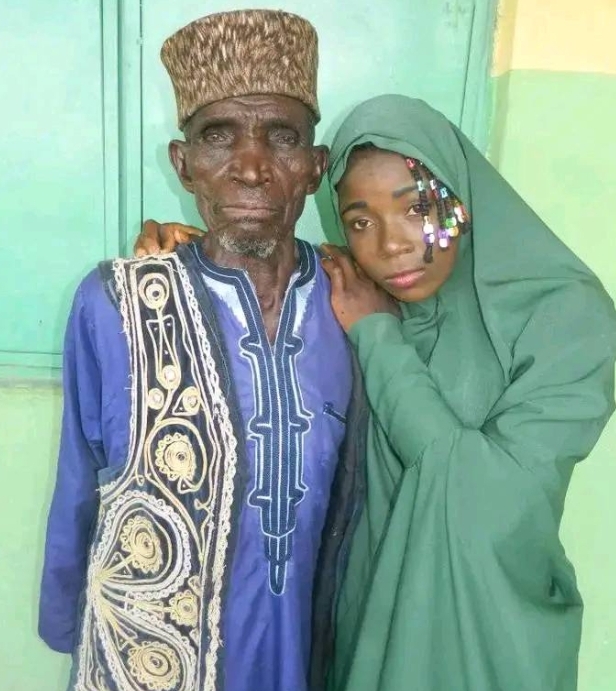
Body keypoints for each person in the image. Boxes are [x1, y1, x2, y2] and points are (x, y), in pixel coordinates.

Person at [139, 95, 616, 691]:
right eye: (361, 222)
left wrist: (378, 339)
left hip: (491, 636)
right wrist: (196, 261)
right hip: (371, 631)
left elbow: (489, 498)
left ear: (462, 199)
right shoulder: (367, 293)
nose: (391, 245)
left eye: (417, 208)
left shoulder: (568, 319)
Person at [38, 11, 366, 691]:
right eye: (219, 136)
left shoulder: (353, 304)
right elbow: (79, 476)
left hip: (305, 651)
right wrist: (62, 620)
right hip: (150, 657)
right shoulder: (116, 303)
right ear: (184, 165)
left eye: (282, 137)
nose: (251, 168)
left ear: (315, 168)